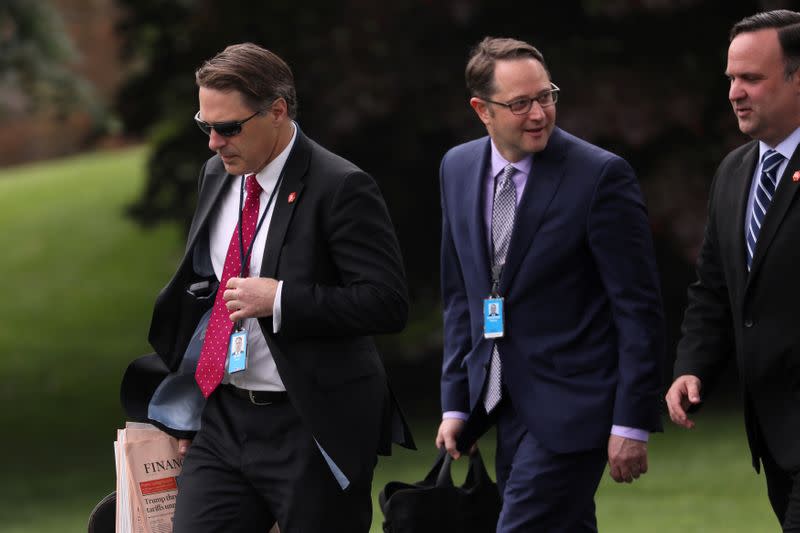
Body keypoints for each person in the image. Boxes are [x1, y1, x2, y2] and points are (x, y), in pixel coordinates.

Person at [121, 43, 414, 532]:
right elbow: (208, 289)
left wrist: (278, 299)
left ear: (277, 111)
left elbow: (386, 303)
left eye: (228, 127)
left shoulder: (341, 186)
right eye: (204, 125)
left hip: (310, 424)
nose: (214, 142)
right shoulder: (217, 173)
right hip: (225, 418)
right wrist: (193, 397)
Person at [435, 36, 664, 532]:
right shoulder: (456, 168)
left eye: (546, 96)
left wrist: (631, 422)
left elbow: (638, 309)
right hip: (499, 403)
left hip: (576, 406)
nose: (539, 113)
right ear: (482, 110)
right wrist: (456, 403)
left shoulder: (601, 176)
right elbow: (460, 299)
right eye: (520, 104)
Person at [665, 10, 800, 530]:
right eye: (731, 79)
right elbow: (715, 290)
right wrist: (692, 366)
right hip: (772, 434)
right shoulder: (734, 172)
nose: (735, 93)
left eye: (752, 78)